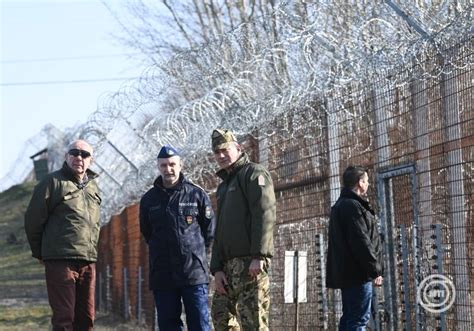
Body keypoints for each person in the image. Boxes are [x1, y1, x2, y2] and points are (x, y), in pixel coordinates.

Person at [24, 139, 101, 331]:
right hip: (60, 260)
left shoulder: (93, 187)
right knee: (64, 319)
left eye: (85, 155)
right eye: (74, 153)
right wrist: (40, 252)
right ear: (66, 157)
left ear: (91, 160)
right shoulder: (53, 182)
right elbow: (33, 220)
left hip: (87, 260)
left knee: (86, 318)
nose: (79, 158)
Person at [139, 145, 215, 331]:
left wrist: (193, 253)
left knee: (200, 324)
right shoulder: (149, 199)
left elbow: (209, 231)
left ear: (180, 165)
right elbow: (147, 232)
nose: (168, 169)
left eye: (172, 164)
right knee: (168, 325)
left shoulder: (196, 194)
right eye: (164, 165)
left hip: (193, 273)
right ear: (158, 167)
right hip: (163, 274)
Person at [210, 129, 276, 331]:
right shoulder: (223, 186)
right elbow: (220, 229)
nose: (221, 156)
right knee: (221, 317)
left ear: (238, 148)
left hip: (250, 265)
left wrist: (259, 255)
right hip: (228, 268)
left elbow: (264, 214)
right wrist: (217, 268)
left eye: (225, 150)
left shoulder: (253, 173)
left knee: (254, 324)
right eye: (216, 152)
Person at [326, 166, 383, 330]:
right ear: (360, 183)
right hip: (359, 274)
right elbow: (362, 242)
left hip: (348, 273)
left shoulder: (341, 205)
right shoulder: (353, 207)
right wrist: (375, 269)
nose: (368, 184)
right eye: (366, 181)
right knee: (359, 319)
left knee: (350, 317)